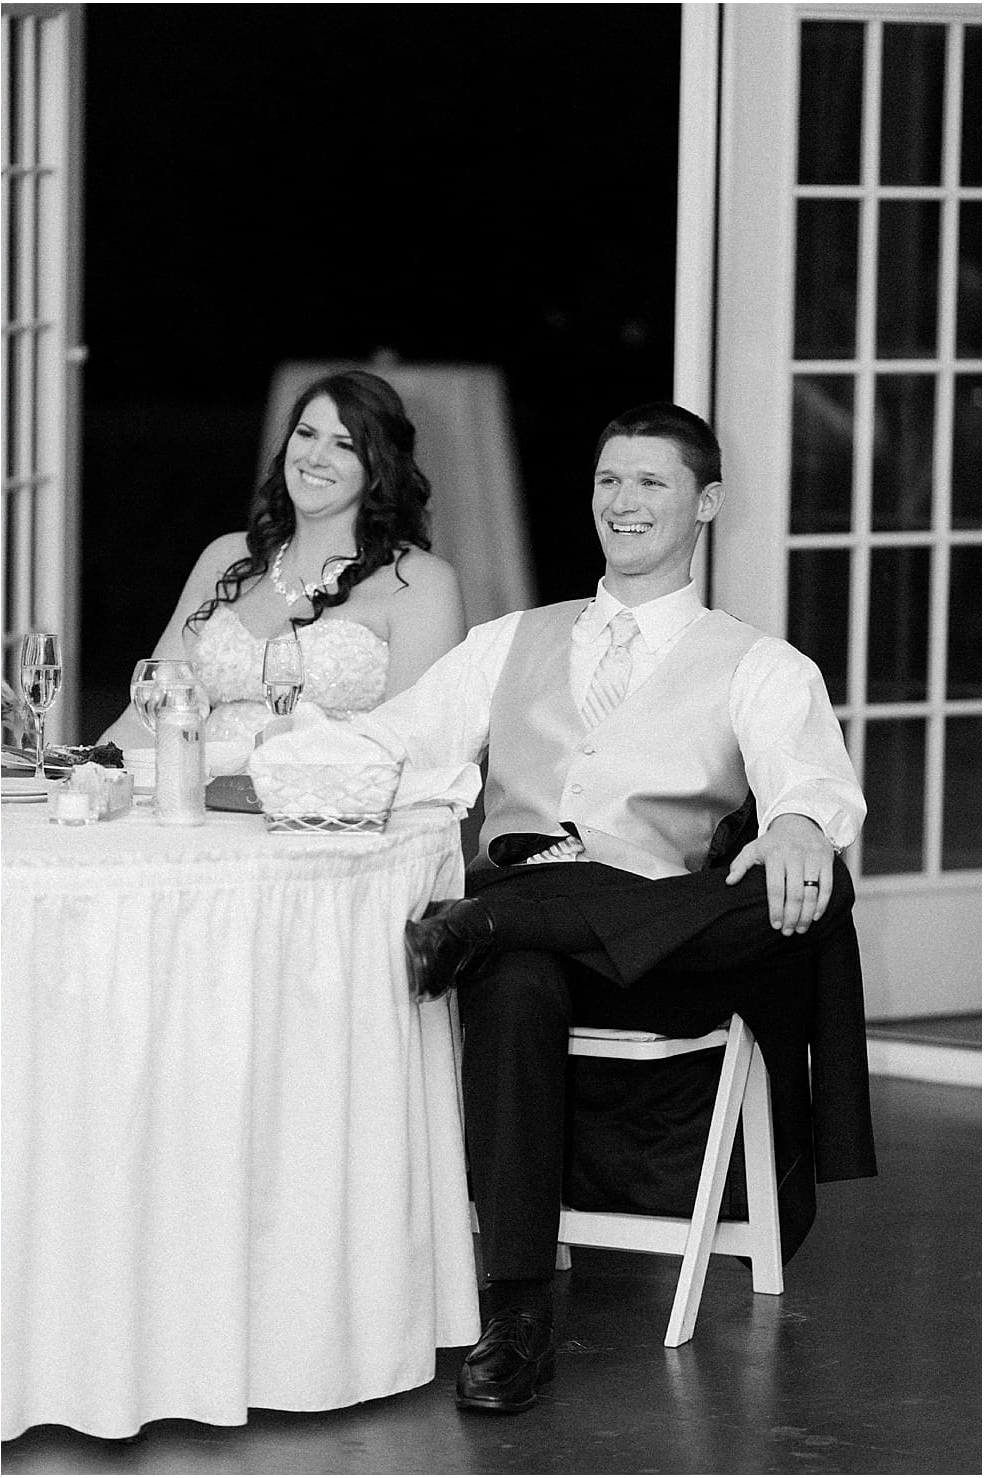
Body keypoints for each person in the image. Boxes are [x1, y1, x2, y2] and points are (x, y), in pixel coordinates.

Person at [363, 403, 875, 1414]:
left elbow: (810, 780)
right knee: (512, 978)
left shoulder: (758, 661)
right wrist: (254, 758)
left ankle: (500, 920)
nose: (623, 502)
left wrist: (804, 824)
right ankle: (514, 1315)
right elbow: (391, 742)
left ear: (706, 504)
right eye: (610, 481)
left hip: (665, 945)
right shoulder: (510, 640)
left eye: (651, 482)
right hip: (531, 920)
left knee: (802, 891)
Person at [101, 369, 466, 747]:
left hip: (332, 802)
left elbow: (418, 745)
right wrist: (83, 776)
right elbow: (147, 717)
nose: (315, 457)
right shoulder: (226, 558)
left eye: (344, 445)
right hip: (198, 795)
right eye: (306, 435)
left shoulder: (419, 582)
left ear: (378, 471)